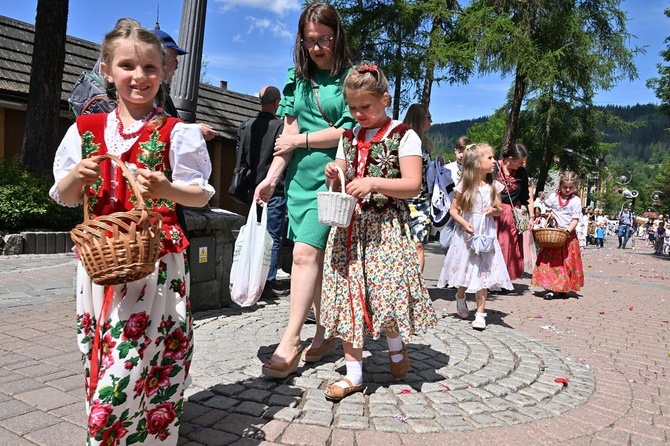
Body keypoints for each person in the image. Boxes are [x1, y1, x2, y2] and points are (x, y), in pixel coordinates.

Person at [49, 21, 214, 444]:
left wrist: (166, 188)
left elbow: (200, 196)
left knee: (141, 359)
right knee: (100, 355)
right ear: (107, 69)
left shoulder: (177, 133)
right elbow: (63, 196)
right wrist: (78, 178)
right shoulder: (85, 130)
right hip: (100, 264)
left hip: (155, 264)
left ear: (164, 72)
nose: (139, 77)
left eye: (150, 68)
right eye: (127, 66)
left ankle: (116, 435)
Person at [319, 62, 437, 401]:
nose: (358, 114)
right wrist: (333, 171)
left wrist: (374, 182)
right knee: (349, 297)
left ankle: (396, 346)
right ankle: (354, 374)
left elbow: (412, 185)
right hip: (350, 229)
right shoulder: (348, 137)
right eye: (352, 108)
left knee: (385, 295)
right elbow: (340, 175)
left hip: (385, 230)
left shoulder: (404, 136)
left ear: (385, 99)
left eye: (365, 107)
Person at [254, 2, 356, 379]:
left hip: (331, 177)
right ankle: (324, 331)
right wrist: (271, 178)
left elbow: (347, 130)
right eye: (310, 40)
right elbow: (288, 137)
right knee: (313, 261)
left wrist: (302, 142)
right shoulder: (296, 77)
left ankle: (290, 339)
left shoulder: (350, 76)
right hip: (298, 179)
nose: (317, 47)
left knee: (303, 255)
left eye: (324, 39)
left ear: (337, 36)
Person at [437, 143, 513, 330]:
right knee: (465, 272)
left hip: (486, 235)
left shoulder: (494, 186)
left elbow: (499, 210)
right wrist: (463, 223)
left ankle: (480, 313)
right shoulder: (464, 186)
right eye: (489, 158)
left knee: (483, 273)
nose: (494, 161)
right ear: (477, 163)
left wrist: (493, 210)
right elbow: (453, 210)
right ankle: (460, 296)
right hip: (467, 236)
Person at [235, 86, 290, 292]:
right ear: (277, 102)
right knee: (272, 236)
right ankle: (268, 281)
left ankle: (250, 275)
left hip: (251, 188)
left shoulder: (245, 125)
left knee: (253, 231)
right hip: (273, 189)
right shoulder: (281, 128)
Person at [150, 26, 216, 141]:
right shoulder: (149, 90)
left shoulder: (159, 89)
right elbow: (155, 124)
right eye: (174, 58)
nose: (177, 64)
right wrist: (195, 131)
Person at [531, 171, 584, 300]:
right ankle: (550, 288)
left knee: (566, 263)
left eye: (570, 187)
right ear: (559, 185)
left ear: (575, 187)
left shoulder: (575, 201)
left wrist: (567, 231)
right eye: (564, 187)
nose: (567, 190)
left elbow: (575, 220)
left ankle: (563, 286)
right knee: (552, 263)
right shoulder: (553, 197)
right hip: (553, 235)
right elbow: (548, 209)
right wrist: (549, 214)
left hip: (567, 237)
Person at [402, 103, 434, 271]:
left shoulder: (425, 144)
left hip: (422, 200)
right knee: (403, 245)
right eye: (428, 117)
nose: (431, 120)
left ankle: (418, 288)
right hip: (403, 199)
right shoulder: (404, 140)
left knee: (419, 244)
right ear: (419, 118)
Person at [494, 143, 530, 282]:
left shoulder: (521, 172)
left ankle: (503, 279)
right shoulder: (494, 169)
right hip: (495, 211)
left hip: (512, 212)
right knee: (495, 244)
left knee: (508, 245)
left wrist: (526, 215)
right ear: (510, 158)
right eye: (520, 162)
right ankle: (491, 277)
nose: (522, 164)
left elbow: (524, 195)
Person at [436, 135, 471, 254]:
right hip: (448, 208)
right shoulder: (447, 168)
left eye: (464, 152)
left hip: (464, 210)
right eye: (459, 151)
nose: (461, 155)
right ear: (455, 151)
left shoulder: (471, 170)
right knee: (444, 242)